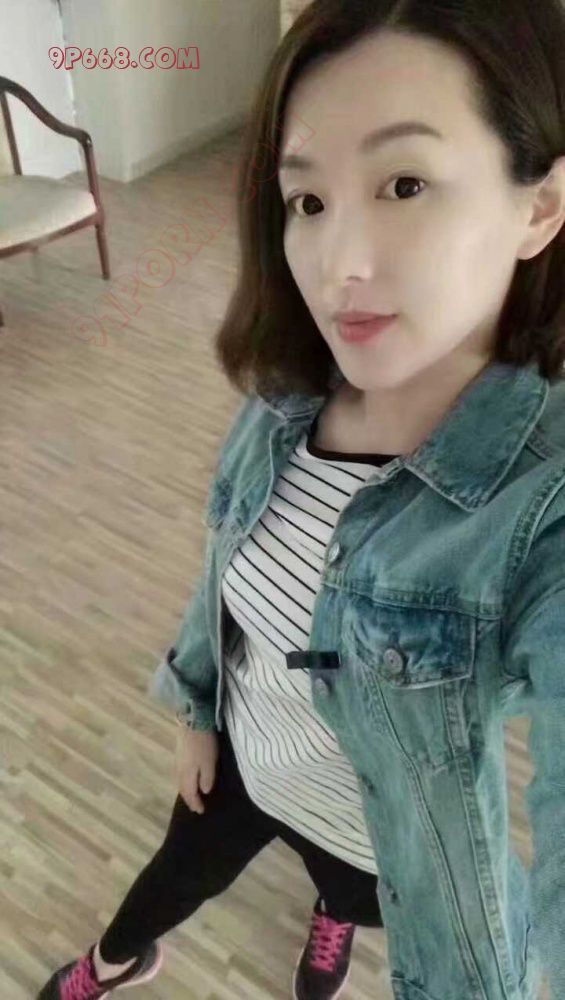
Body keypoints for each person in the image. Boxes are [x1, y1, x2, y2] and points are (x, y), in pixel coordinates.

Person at [39, 0, 565, 997]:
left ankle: (332, 916)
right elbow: (222, 574)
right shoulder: (286, 405)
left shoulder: (541, 505)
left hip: (373, 840)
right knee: (168, 882)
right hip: (244, 767)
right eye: (308, 201)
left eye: (404, 183)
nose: (337, 266)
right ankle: (112, 963)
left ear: (538, 207)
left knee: (344, 894)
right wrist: (194, 708)